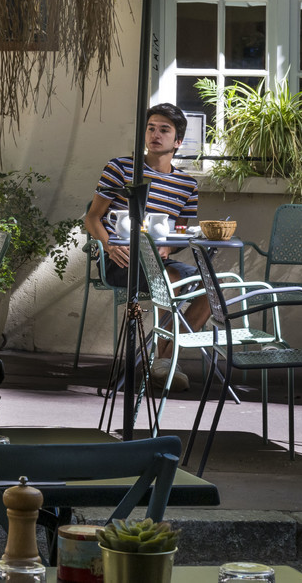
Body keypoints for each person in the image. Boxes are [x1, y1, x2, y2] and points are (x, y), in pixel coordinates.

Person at [82, 102, 209, 392]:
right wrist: (110, 245)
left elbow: (180, 233)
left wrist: (168, 250)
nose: (155, 134)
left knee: (210, 287)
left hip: (158, 261)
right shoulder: (120, 168)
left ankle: (163, 359)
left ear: (178, 141)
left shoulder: (187, 185)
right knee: (173, 280)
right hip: (121, 260)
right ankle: (165, 364)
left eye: (164, 130)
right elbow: (93, 217)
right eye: (151, 128)